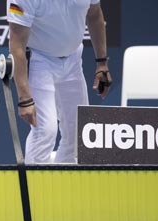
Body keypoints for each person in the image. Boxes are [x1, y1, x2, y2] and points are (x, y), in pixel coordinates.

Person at [7, 0, 112, 164]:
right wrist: (24, 98)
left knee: (78, 131)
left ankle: (65, 179)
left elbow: (94, 14)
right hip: (39, 60)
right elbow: (17, 44)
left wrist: (102, 63)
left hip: (73, 59)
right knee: (45, 131)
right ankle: (33, 181)